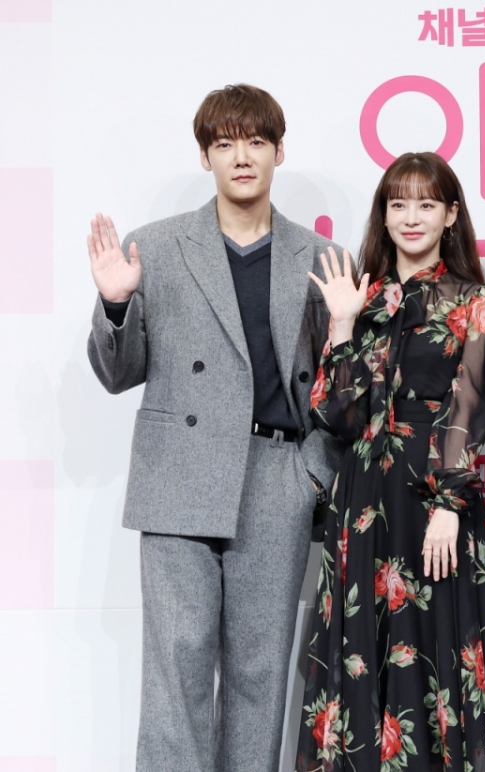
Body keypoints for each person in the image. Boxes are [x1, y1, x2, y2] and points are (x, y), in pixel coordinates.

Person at [86, 84, 341, 771]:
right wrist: (115, 308)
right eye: (225, 143)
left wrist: (310, 473)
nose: (242, 156)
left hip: (274, 476)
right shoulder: (155, 248)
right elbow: (119, 374)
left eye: (255, 141)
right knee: (178, 668)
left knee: (261, 673)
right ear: (206, 157)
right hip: (180, 473)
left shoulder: (318, 255)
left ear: (278, 151)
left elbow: (333, 384)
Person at [295, 152, 485, 772]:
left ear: (450, 215)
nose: (410, 217)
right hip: (362, 502)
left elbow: (471, 404)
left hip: (435, 499)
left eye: (425, 204)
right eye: (398, 204)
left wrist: (448, 503)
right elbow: (335, 415)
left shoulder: (476, 300)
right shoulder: (358, 298)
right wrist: (340, 325)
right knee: (361, 650)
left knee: (439, 647)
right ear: (382, 217)